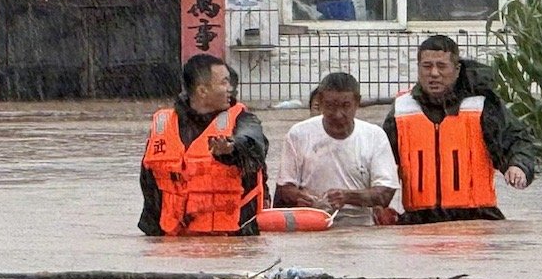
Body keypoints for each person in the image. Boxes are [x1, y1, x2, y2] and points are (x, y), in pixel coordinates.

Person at [382, 34, 538, 224]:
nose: (434, 73)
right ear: (418, 69)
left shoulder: (481, 106)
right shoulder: (401, 110)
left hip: (479, 219)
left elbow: (517, 141)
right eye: (427, 66)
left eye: (441, 66)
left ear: (457, 70)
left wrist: (518, 166)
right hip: (418, 221)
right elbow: (380, 163)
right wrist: (378, 205)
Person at [139, 53, 269, 236]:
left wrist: (231, 149)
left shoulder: (243, 119)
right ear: (202, 91)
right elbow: (149, 186)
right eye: (224, 83)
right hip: (173, 244)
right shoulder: (163, 124)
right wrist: (153, 238)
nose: (230, 88)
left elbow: (255, 145)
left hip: (232, 241)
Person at [275, 72, 400, 225]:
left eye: (346, 106)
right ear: (320, 102)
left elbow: (385, 193)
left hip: (361, 225)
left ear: (357, 102)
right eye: (330, 106)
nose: (338, 114)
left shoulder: (374, 136)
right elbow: (284, 188)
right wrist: (302, 197)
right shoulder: (298, 134)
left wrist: (348, 197)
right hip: (311, 222)